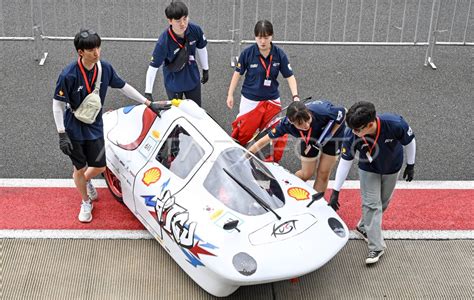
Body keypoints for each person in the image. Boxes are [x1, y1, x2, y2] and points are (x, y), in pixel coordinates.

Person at [52, 29, 169, 223]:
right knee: (78, 169)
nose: (96, 52)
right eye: (91, 49)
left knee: (99, 166)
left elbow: (123, 86)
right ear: (80, 52)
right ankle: (85, 201)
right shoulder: (68, 75)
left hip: (95, 125)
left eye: (98, 47)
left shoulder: (104, 68)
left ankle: (86, 180)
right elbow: (57, 104)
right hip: (74, 128)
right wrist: (61, 134)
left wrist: (147, 103)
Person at [328, 101, 416, 265]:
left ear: (370, 124)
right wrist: (336, 191)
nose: (354, 132)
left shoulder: (395, 124)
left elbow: (410, 141)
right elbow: (345, 162)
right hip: (368, 169)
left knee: (383, 203)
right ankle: (376, 246)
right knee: (371, 205)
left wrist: (411, 165)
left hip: (392, 168)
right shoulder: (351, 134)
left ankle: (363, 226)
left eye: (357, 129)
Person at [226, 20, 299, 163]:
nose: (263, 41)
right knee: (244, 132)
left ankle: (273, 161)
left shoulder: (279, 54)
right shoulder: (247, 53)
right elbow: (237, 74)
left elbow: (290, 76)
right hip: (250, 100)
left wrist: (295, 96)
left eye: (266, 37)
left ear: (271, 37)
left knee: (277, 131)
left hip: (272, 99)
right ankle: (235, 157)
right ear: (255, 37)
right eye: (259, 37)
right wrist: (230, 94)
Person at [248, 100, 346, 194]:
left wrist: (330, 133)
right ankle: (282, 190)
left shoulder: (321, 111)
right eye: (300, 124)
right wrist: (246, 154)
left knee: (323, 173)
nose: (306, 125)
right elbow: (265, 140)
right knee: (306, 174)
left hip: (334, 137)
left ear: (308, 112)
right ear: (291, 122)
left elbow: (343, 111)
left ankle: (316, 204)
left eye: (308, 120)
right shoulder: (285, 125)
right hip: (310, 139)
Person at [145, 1, 209, 107]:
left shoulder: (195, 30)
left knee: (196, 110)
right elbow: (153, 67)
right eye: (178, 21)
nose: (183, 24)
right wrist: (148, 92)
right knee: (176, 112)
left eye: (185, 18)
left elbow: (202, 48)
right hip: (173, 83)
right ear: (170, 21)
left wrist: (205, 69)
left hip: (192, 79)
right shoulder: (163, 42)